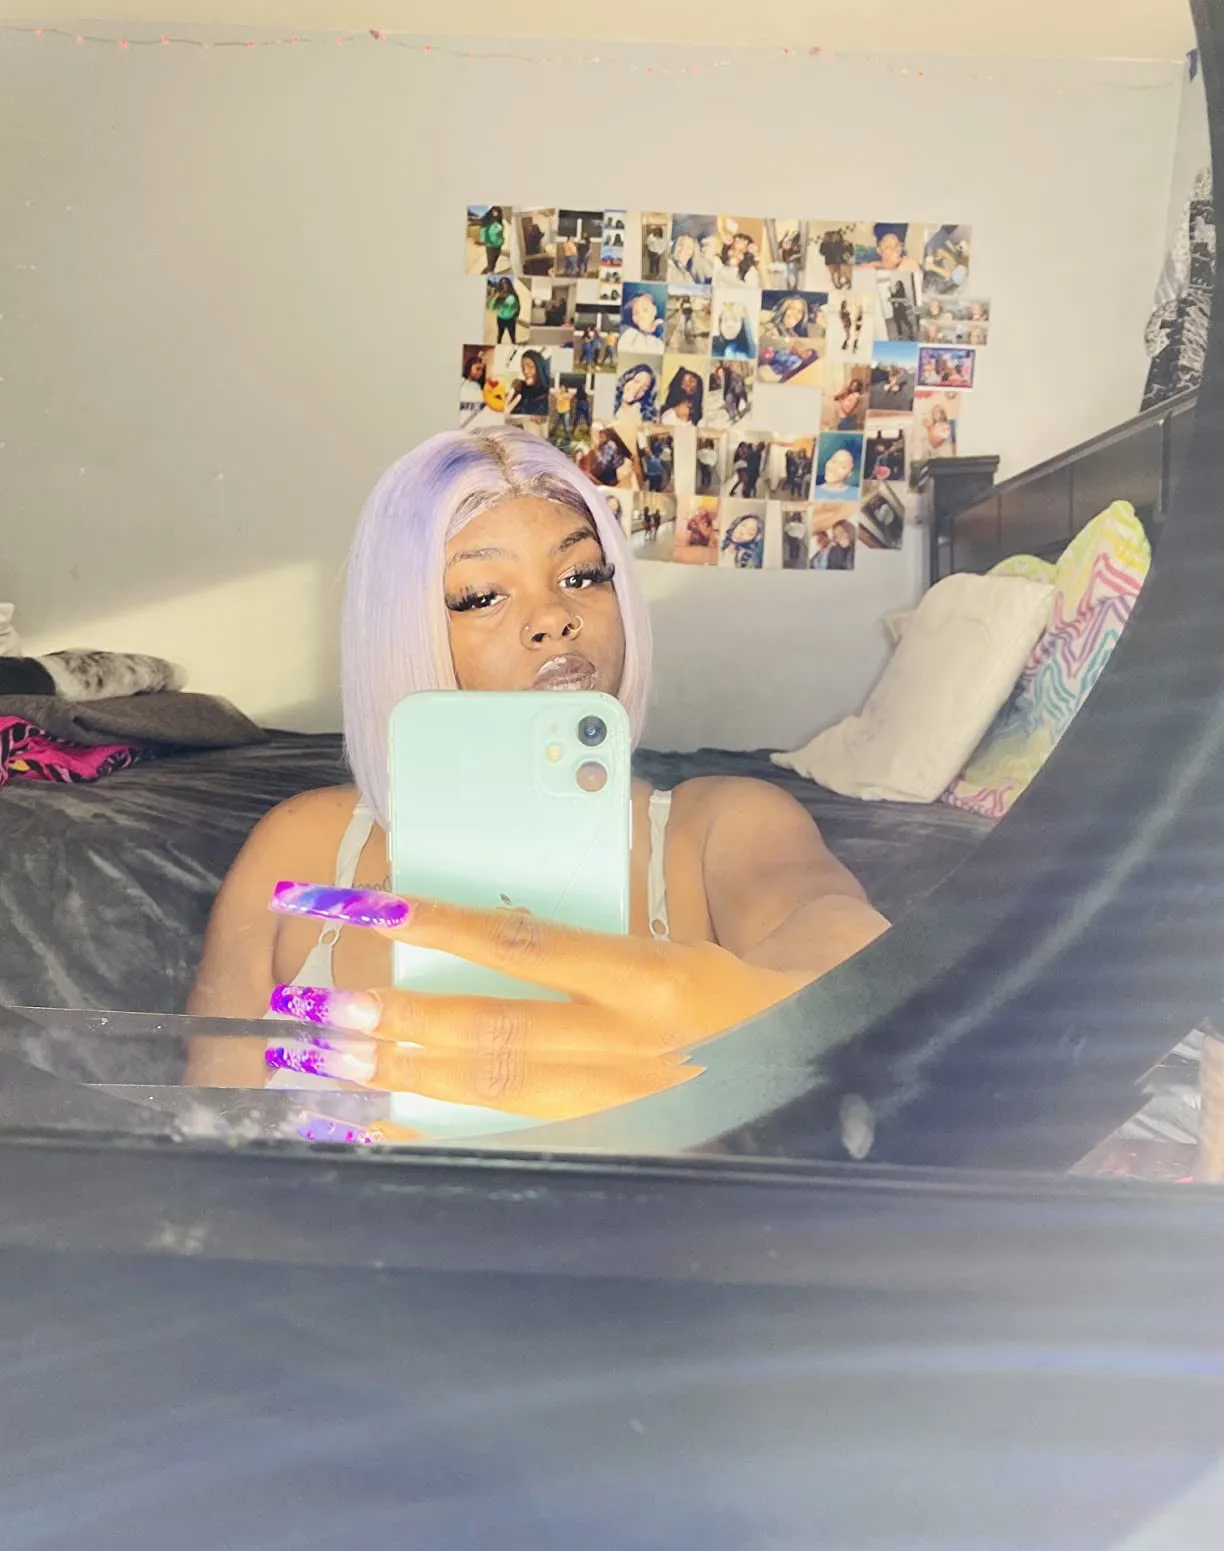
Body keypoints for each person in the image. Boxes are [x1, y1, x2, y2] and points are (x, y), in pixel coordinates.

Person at [185, 429, 888, 1113]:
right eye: (482, 596)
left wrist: (812, 1009)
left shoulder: (724, 827)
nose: (553, 616)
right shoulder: (301, 847)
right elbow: (205, 1127)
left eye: (581, 576)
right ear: (400, 632)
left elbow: (832, 931)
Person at [504, 350, 551, 418]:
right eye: (523, 368)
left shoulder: (547, 395)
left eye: (531, 366)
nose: (525, 371)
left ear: (540, 368)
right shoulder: (521, 388)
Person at [618, 291, 665, 355]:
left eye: (645, 310)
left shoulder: (663, 330)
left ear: (654, 311)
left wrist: (660, 327)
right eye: (636, 312)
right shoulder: (628, 331)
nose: (640, 315)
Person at [489, 278, 521, 344]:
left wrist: (516, 315)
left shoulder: (513, 295)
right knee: (500, 335)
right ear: (500, 285)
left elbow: (518, 306)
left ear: (509, 284)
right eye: (502, 283)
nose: (504, 285)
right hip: (501, 319)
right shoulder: (498, 295)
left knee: (512, 336)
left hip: (511, 319)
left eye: (506, 283)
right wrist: (496, 297)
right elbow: (491, 307)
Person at [480, 207, 506, 275]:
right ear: (491, 212)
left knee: (494, 262)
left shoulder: (498, 221)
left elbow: (500, 232)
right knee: (491, 263)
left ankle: (488, 271)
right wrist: (486, 242)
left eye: (497, 212)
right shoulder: (487, 221)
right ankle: (488, 273)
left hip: (499, 244)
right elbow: (483, 232)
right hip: (491, 245)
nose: (496, 213)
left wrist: (502, 239)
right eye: (494, 211)